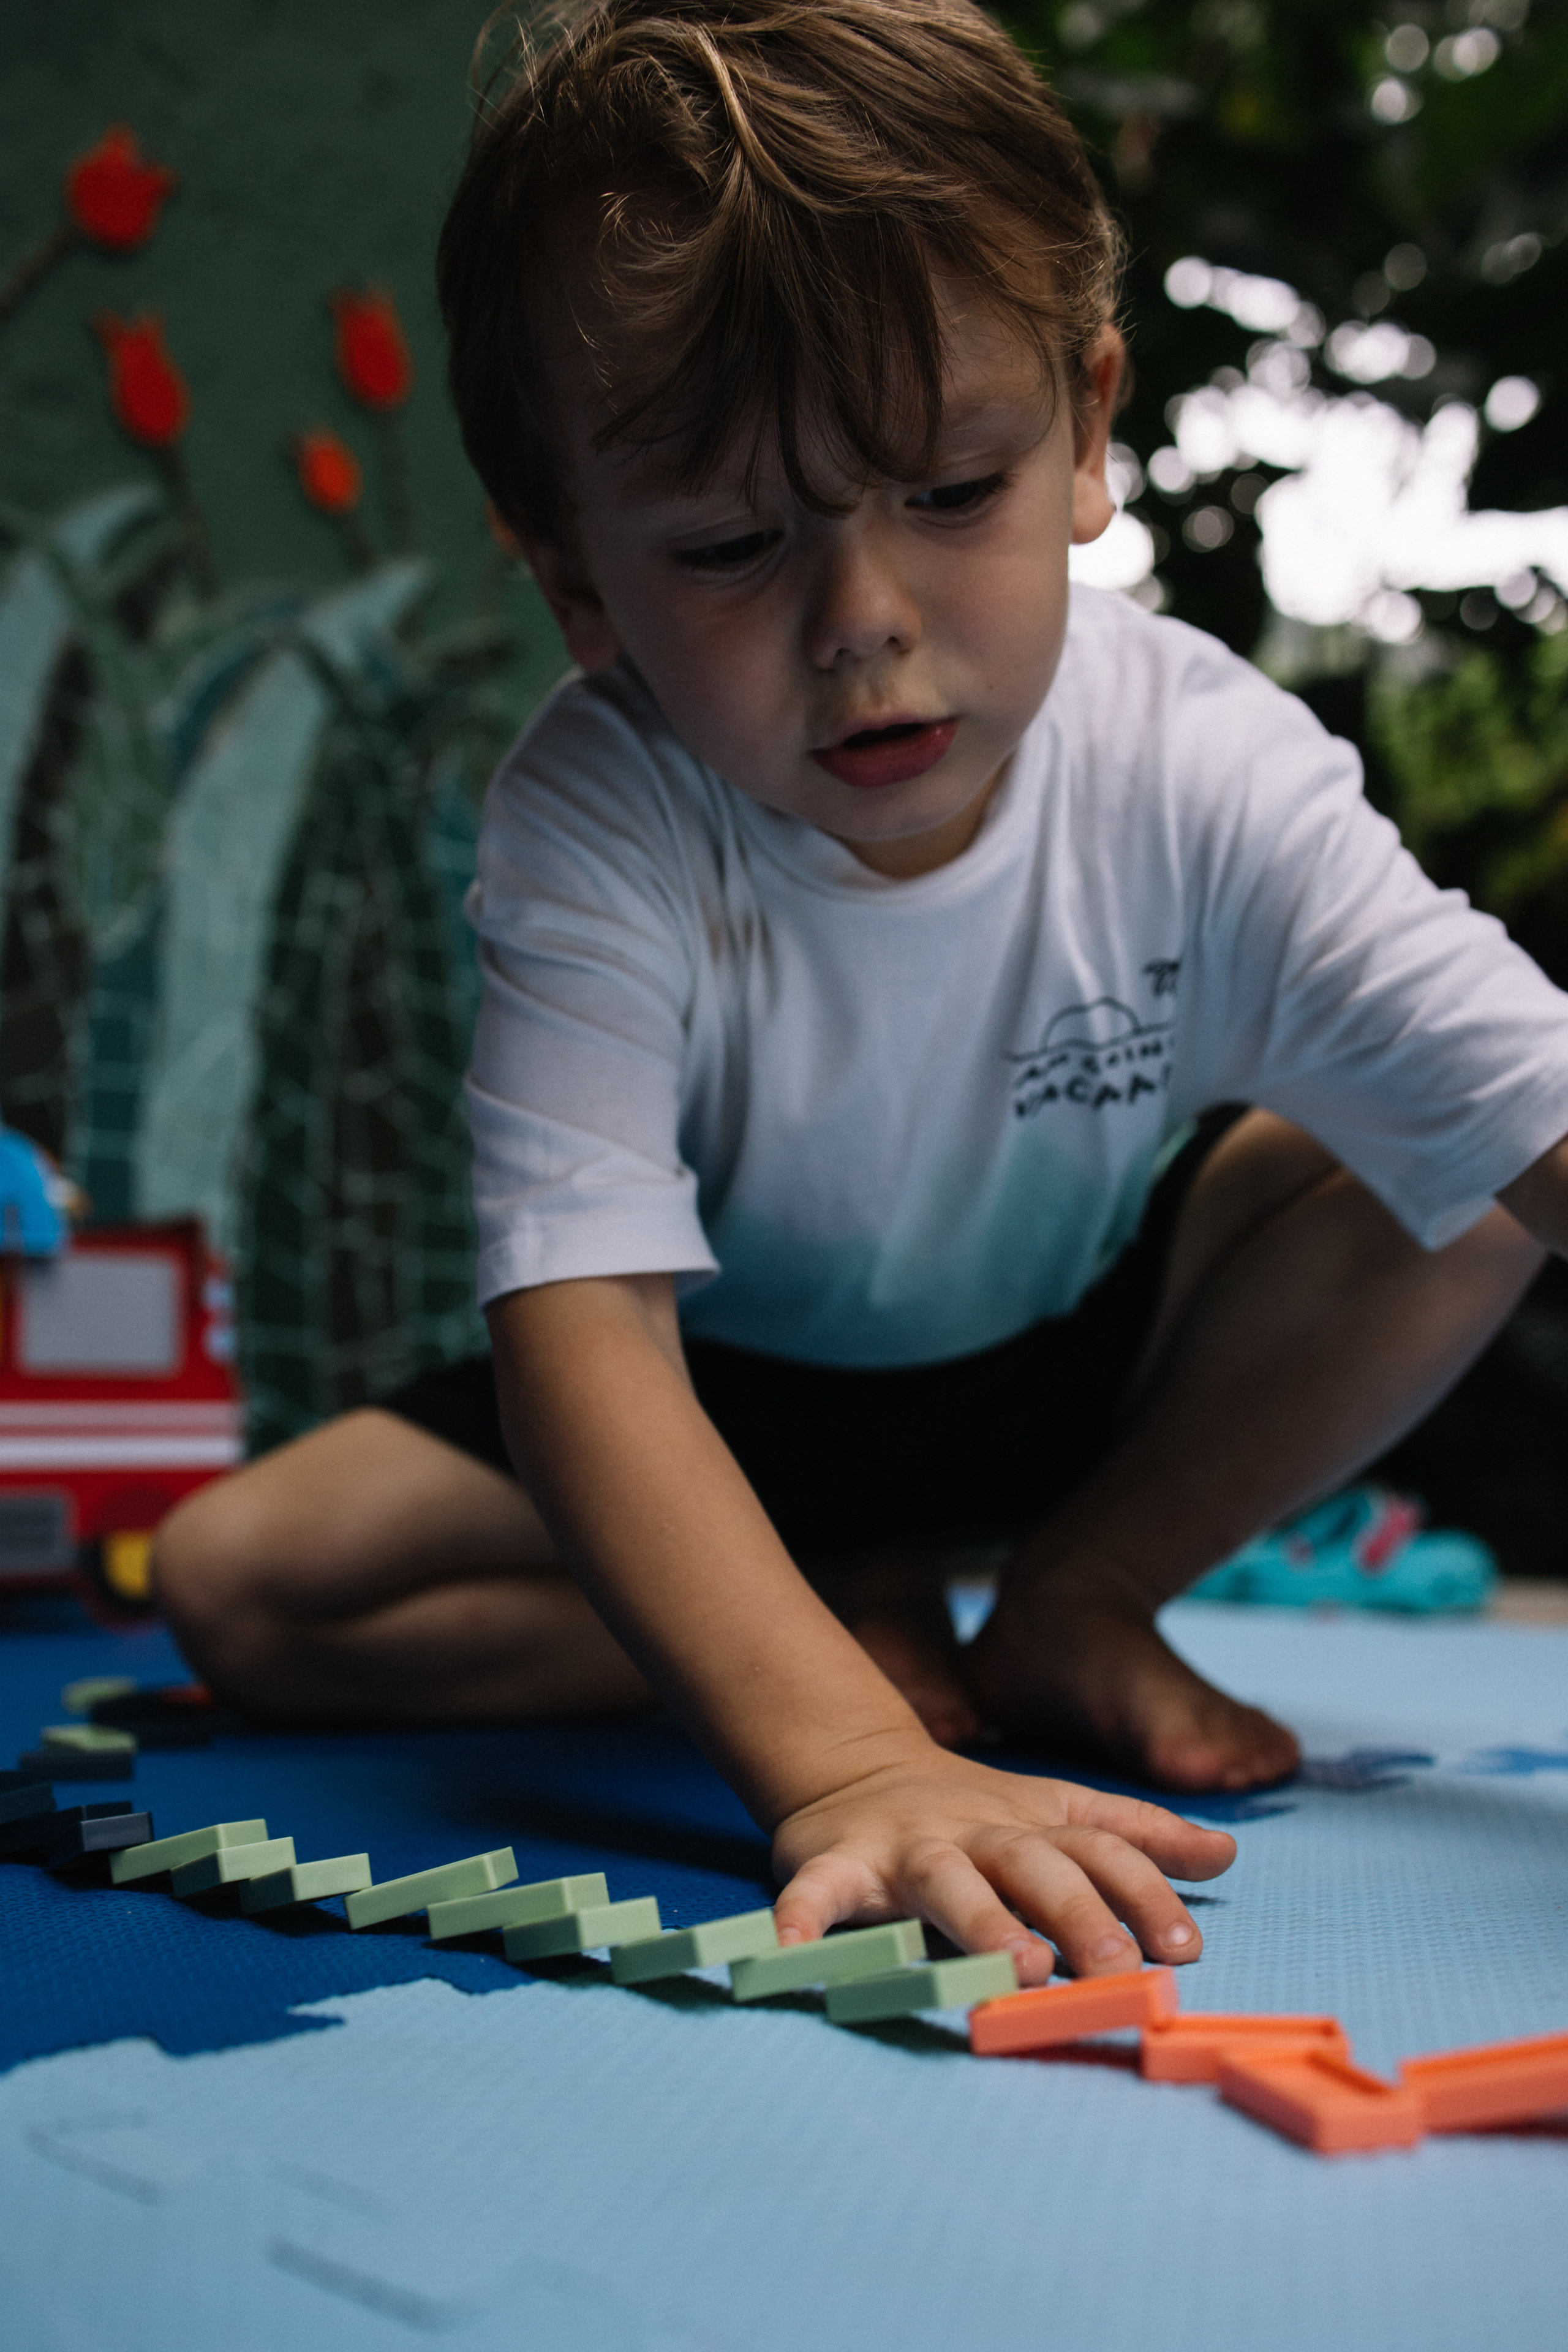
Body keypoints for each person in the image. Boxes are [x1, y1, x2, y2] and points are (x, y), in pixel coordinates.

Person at [153, 0, 1568, 1985]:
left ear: (1084, 431)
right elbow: (585, 1346)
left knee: (1462, 1172)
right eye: (734, 545)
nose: (866, 622)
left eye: (951, 493)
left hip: (1073, 1363)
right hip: (719, 1402)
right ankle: (828, 1615)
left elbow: (1544, 1121)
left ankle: (1082, 1595)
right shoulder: (601, 813)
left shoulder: (1201, 767)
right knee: (242, 1591)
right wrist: (839, 1759)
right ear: (574, 576)